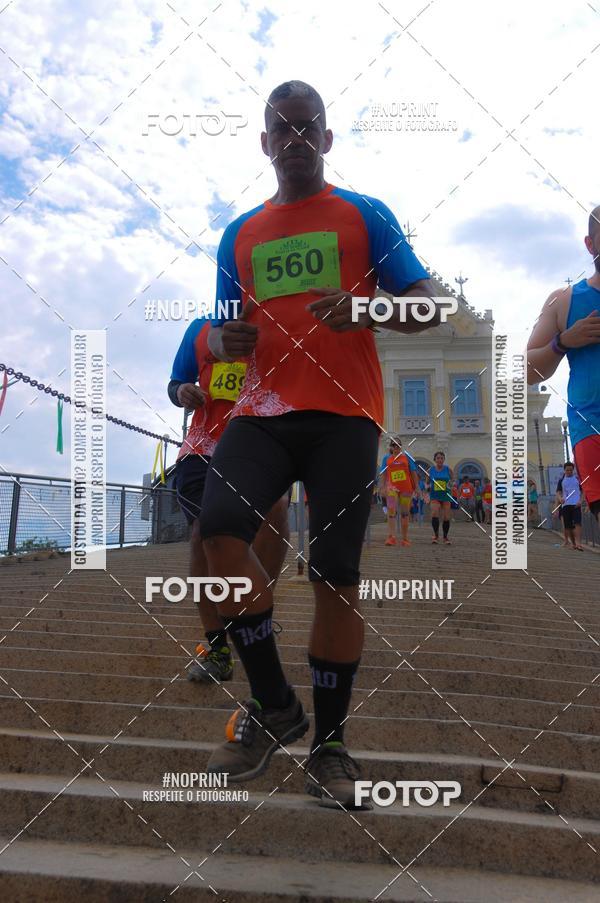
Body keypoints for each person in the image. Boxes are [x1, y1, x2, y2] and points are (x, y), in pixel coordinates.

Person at [198, 80, 440, 807]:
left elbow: (430, 306)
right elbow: (222, 345)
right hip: (261, 410)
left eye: (309, 129)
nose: (296, 141)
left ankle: (330, 745)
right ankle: (275, 703)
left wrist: (367, 307)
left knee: (335, 571)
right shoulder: (237, 234)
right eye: (283, 130)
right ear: (265, 143)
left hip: (343, 415)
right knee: (217, 529)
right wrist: (219, 339)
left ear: (327, 140)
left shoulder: (365, 214)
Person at [168, 318, 290, 684]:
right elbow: (175, 382)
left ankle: (251, 612)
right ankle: (217, 646)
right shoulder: (200, 329)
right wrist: (182, 392)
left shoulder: (278, 323)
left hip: (260, 441)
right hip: (203, 446)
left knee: (274, 515)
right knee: (202, 535)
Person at [527, 206, 600, 526]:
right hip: (593, 427)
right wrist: (563, 342)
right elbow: (528, 369)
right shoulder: (566, 300)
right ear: (590, 244)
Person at [380, 437, 420, 546]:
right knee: (391, 512)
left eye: (398, 445)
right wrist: (382, 487)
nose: (396, 447)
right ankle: (391, 537)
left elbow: (413, 472)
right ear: (391, 447)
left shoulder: (407, 457)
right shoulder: (386, 458)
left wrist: (417, 487)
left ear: (401, 447)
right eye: (394, 445)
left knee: (405, 514)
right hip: (392, 489)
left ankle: (405, 538)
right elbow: (383, 474)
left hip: (406, 489)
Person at [556, 462, 584, 550]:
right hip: (566, 505)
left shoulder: (577, 479)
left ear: (573, 470)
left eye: (571, 470)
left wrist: (580, 501)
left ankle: (579, 543)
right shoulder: (561, 480)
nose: (569, 471)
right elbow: (558, 492)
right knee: (568, 526)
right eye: (567, 470)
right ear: (564, 470)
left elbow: (583, 491)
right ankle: (573, 543)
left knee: (577, 523)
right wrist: (560, 498)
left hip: (576, 504)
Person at [428, 452, 453, 544]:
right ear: (435, 460)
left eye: (442, 458)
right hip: (435, 496)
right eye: (438, 458)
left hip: (446, 495)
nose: (440, 460)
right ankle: (436, 535)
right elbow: (427, 482)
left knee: (446, 517)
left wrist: (449, 488)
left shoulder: (448, 469)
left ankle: (445, 537)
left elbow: (452, 480)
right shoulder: (431, 470)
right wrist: (426, 493)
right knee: (434, 513)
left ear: (444, 459)